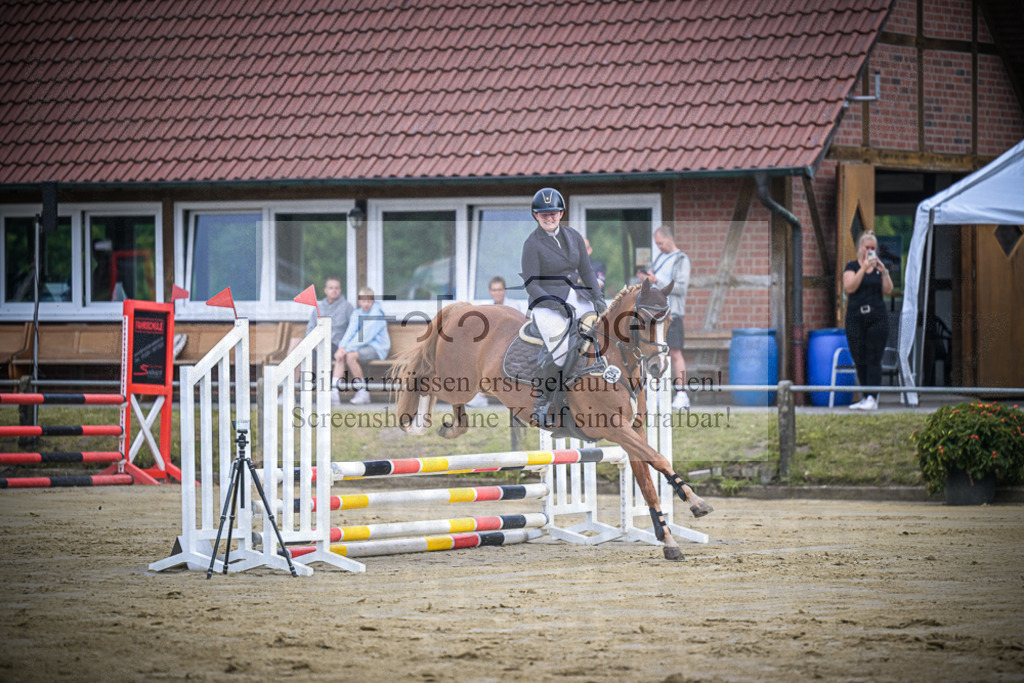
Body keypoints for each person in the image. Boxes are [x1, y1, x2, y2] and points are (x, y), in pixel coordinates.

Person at [520, 187, 606, 424]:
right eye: (544, 214)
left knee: (601, 334)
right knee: (560, 351)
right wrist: (555, 304)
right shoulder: (532, 244)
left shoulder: (574, 237)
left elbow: (587, 271)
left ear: (561, 213)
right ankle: (542, 400)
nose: (550, 218)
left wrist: (598, 297)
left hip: (576, 296)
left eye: (554, 213)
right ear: (536, 216)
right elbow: (531, 285)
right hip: (545, 302)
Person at [843, 231, 893, 411]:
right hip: (856, 318)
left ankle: (873, 396)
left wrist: (884, 272)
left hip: (877, 317)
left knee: (874, 357)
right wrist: (863, 268)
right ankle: (866, 396)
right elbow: (849, 287)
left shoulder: (879, 270)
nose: (870, 251)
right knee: (859, 357)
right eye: (867, 248)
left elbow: (888, 290)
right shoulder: (852, 267)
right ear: (860, 248)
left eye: (873, 248)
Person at [646, 225, 692, 411]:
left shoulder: (681, 259)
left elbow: (681, 288)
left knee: (675, 353)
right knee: (656, 354)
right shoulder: (660, 258)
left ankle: (682, 394)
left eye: (660, 243)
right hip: (655, 314)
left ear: (669, 238)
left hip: (672, 314)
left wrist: (657, 281)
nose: (659, 247)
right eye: (656, 244)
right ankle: (657, 393)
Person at [466, 276, 524, 407]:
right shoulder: (487, 308)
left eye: (499, 290)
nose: (497, 293)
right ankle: (480, 394)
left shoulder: (515, 306)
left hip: (512, 345)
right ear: (490, 292)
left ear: (504, 291)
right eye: (494, 290)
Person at [336, 287, 391, 405]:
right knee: (345, 355)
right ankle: (337, 392)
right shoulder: (357, 313)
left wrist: (347, 349)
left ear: (373, 301)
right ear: (359, 301)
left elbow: (365, 336)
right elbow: (350, 332)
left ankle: (363, 392)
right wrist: (341, 347)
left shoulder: (377, 314)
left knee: (350, 356)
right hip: (361, 348)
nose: (366, 304)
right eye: (363, 301)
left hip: (377, 348)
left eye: (369, 301)